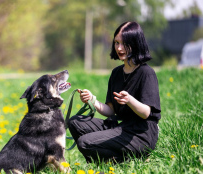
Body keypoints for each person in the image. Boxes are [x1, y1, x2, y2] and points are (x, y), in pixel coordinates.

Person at [68, 21, 161, 163]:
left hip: (141, 134)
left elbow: (146, 113)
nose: (119, 48)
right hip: (121, 126)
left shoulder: (146, 73)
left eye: (124, 43)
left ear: (135, 43)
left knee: (84, 142)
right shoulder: (116, 73)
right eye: (116, 43)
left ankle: (126, 160)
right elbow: (110, 111)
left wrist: (130, 100)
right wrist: (92, 100)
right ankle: (109, 160)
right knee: (75, 122)